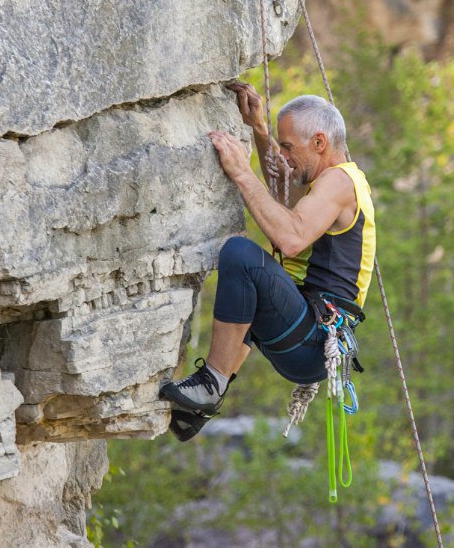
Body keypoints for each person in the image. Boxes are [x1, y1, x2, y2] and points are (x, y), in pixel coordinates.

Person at [158, 83, 375, 440]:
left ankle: (212, 383)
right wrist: (258, 130)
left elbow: (289, 238)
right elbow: (282, 194)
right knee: (254, 281)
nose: (283, 156)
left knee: (241, 256)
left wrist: (243, 173)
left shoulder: (338, 183)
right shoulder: (331, 180)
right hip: (307, 338)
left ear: (320, 143)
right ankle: (205, 398)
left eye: (288, 146)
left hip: (312, 340)